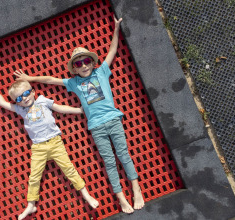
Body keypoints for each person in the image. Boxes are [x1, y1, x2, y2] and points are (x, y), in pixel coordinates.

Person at [13, 15, 144, 214]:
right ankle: (121, 197)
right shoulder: (74, 83)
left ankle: (136, 189)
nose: (83, 65)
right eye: (78, 63)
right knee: (109, 162)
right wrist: (30, 78)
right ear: (74, 68)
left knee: (124, 155)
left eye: (85, 61)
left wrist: (116, 29)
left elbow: (112, 50)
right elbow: (50, 80)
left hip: (113, 119)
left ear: (92, 62)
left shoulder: (101, 72)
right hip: (96, 127)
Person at [0, 79, 99, 220]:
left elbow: (59, 108)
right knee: (34, 177)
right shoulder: (20, 109)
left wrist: (79, 111)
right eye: (19, 98)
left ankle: (86, 195)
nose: (24, 98)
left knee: (69, 169)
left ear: (33, 92)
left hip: (55, 142)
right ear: (16, 102)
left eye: (26, 93)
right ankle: (31, 205)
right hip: (38, 148)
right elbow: (3, 104)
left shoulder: (42, 101)